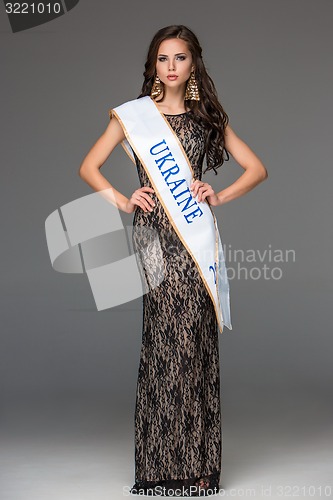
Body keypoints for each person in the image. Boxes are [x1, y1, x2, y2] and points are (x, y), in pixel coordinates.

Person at [78, 24, 267, 497]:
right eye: (163, 58)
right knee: (163, 342)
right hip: (154, 238)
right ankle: (159, 468)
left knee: (196, 343)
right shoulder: (133, 117)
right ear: (153, 65)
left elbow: (257, 169)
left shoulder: (208, 120)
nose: (171, 67)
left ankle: (199, 466)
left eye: (179, 58)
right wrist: (124, 201)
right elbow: (88, 166)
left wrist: (218, 194)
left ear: (193, 64)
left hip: (194, 238)